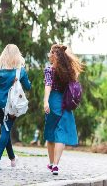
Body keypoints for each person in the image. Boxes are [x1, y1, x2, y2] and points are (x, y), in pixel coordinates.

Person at [0, 44, 31, 170]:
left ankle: (13, 159)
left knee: (5, 129)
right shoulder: (20, 71)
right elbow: (28, 87)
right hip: (12, 106)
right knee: (6, 131)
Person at [43, 44, 83, 175]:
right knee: (61, 134)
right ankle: (55, 165)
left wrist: (45, 101)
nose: (49, 55)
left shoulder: (49, 70)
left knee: (50, 133)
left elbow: (48, 86)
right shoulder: (69, 71)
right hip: (65, 103)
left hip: (53, 101)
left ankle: (50, 162)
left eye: (50, 53)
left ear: (54, 56)